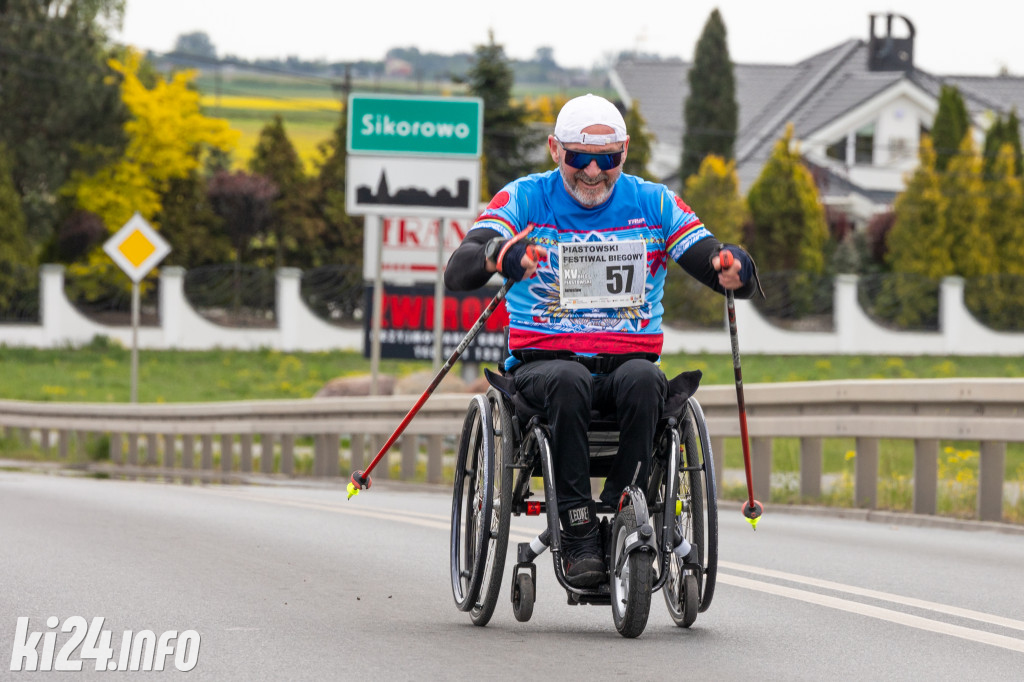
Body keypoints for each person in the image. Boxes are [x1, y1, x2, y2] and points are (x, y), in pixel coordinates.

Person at [444, 94, 760, 587]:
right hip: (544, 366)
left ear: (625, 152)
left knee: (646, 381)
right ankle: (576, 528)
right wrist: (499, 254)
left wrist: (729, 264)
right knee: (569, 380)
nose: (593, 171)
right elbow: (459, 268)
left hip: (625, 365)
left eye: (607, 159)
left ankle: (619, 512)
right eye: (579, 158)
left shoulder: (653, 203)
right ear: (555, 150)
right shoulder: (525, 198)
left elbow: (705, 254)